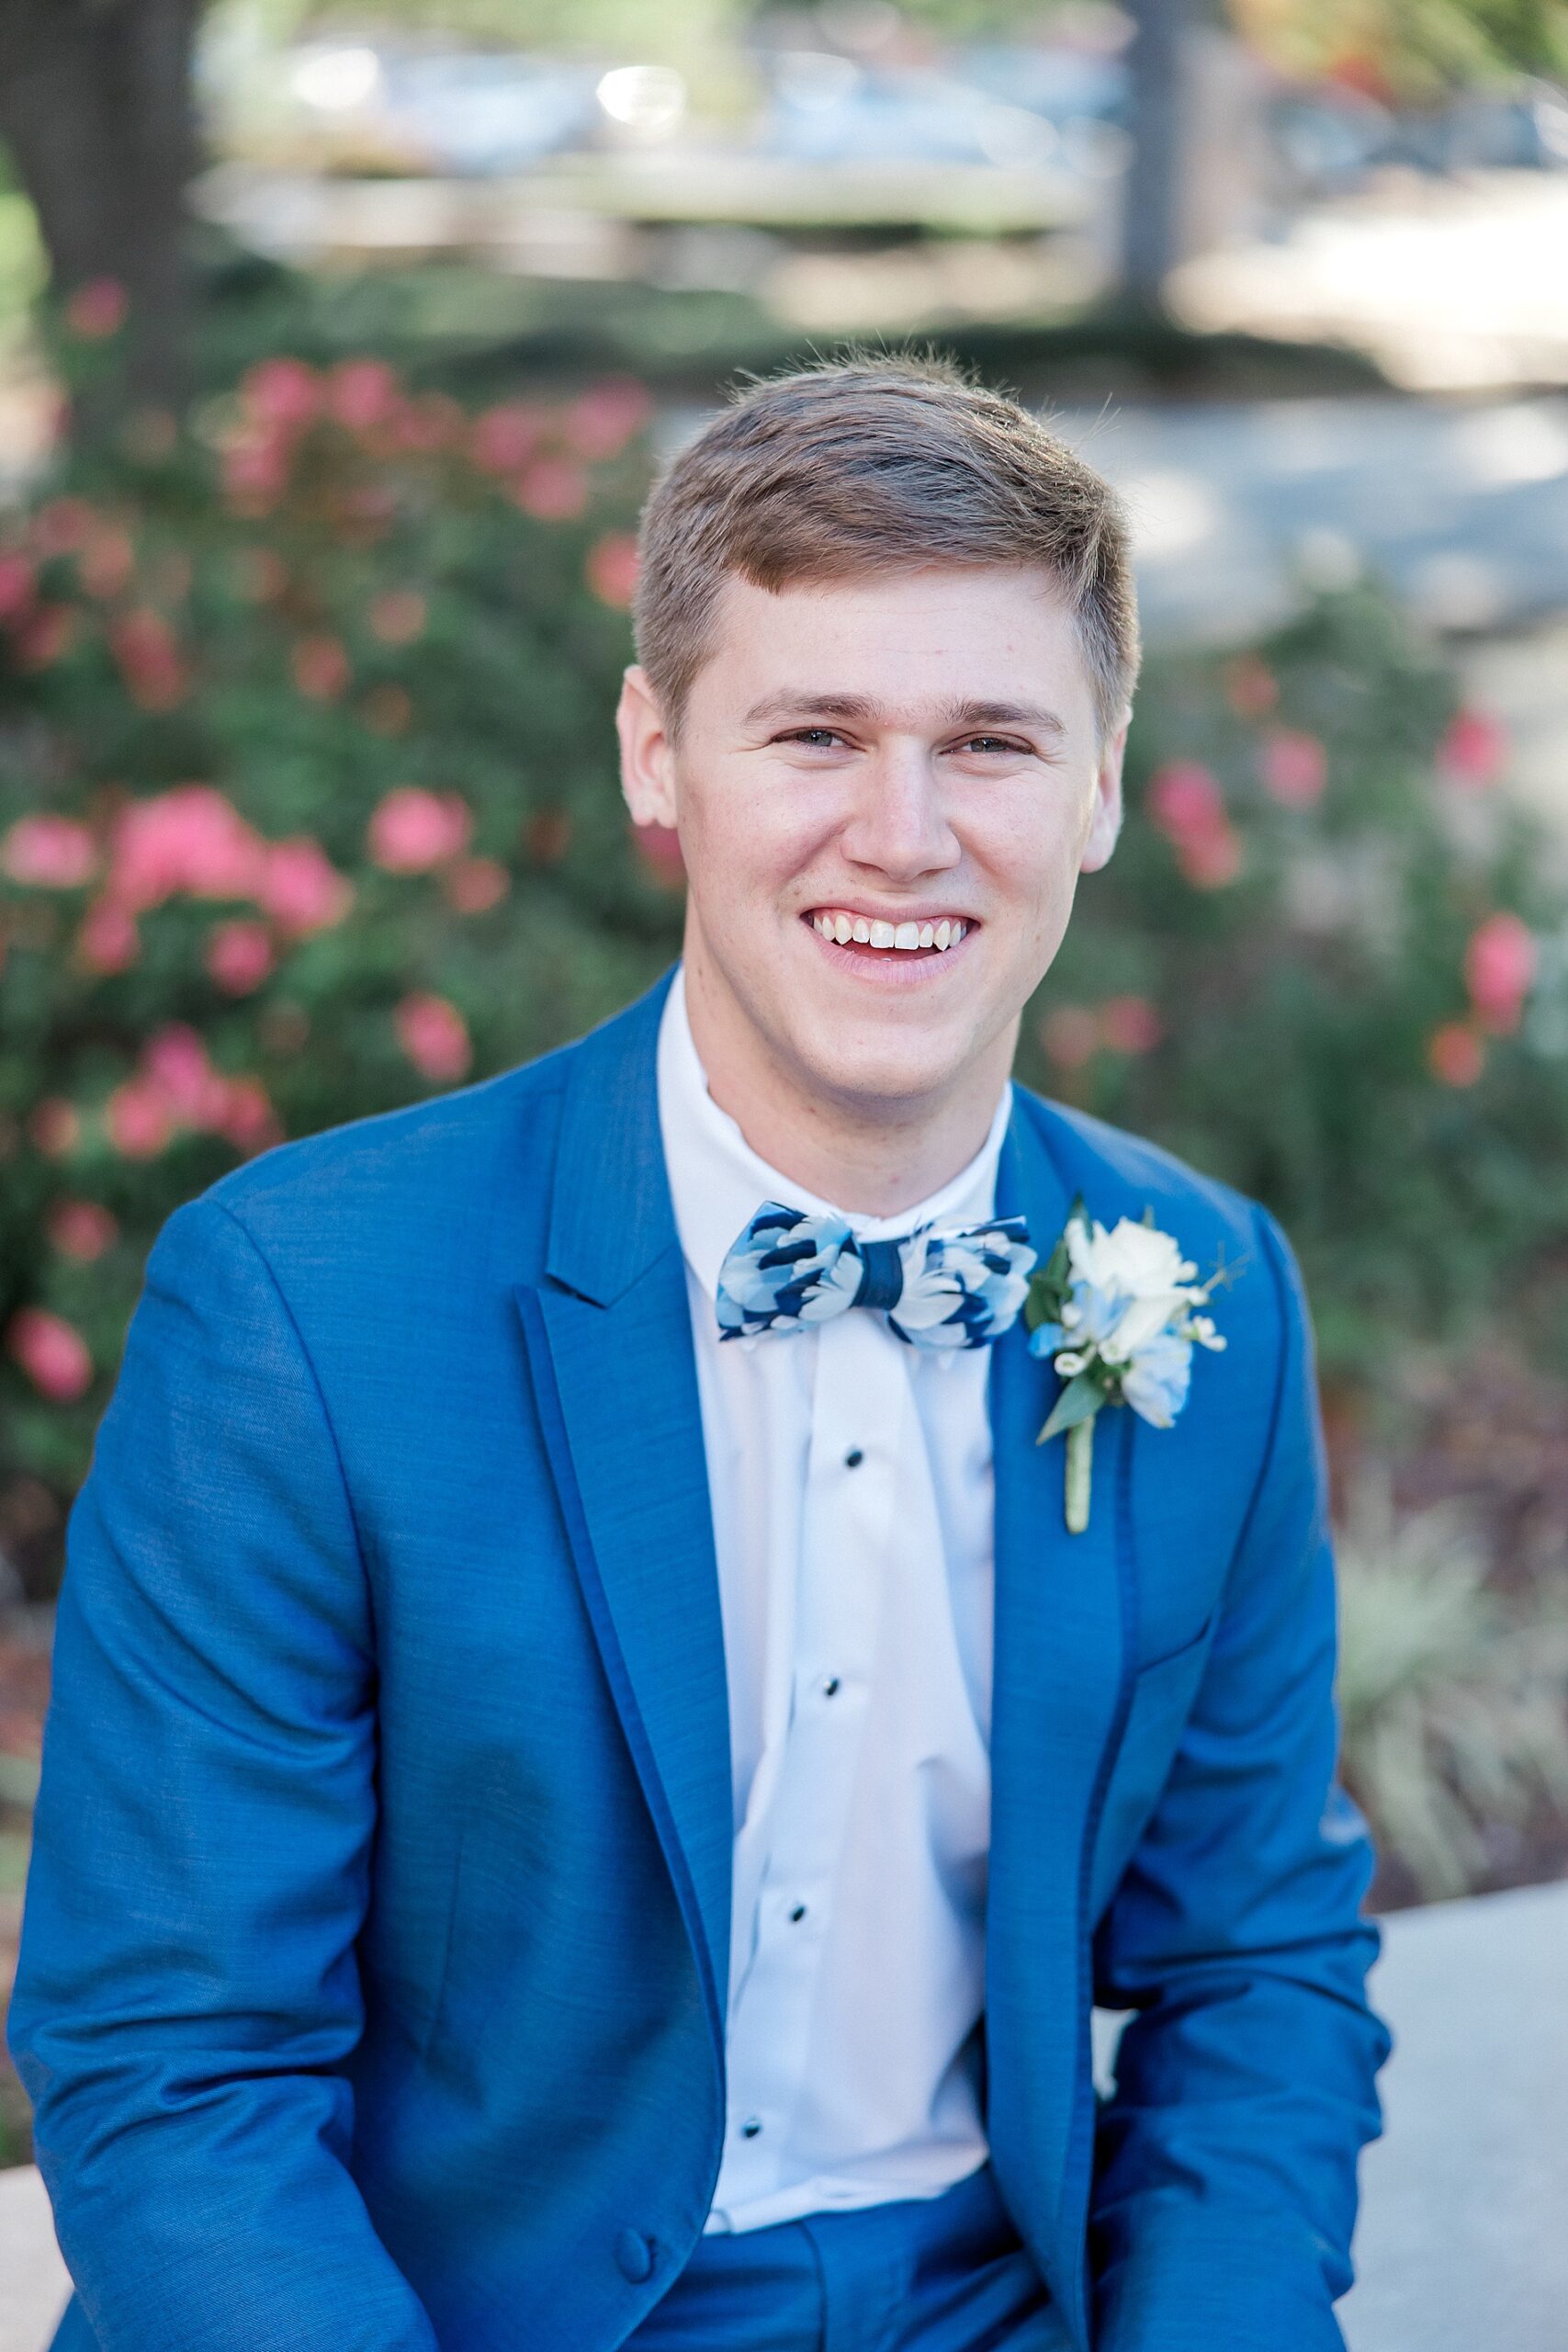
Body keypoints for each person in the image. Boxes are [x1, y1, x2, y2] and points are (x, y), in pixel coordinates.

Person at [11, 358, 1388, 2352]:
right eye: (812, 730)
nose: (900, 832)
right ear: (658, 755)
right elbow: (175, 2064)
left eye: (989, 739)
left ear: (1097, 786)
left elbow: (1251, 1965)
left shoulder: (1202, 1286)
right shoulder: (302, 1305)